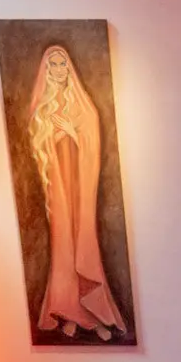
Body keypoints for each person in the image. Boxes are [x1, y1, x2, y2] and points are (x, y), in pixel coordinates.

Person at [27, 45, 127, 341]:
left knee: (83, 242)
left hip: (80, 188)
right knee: (63, 248)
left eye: (62, 64)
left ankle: (94, 314)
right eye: (53, 65)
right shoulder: (42, 108)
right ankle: (68, 312)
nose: (59, 70)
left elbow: (91, 142)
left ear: (69, 68)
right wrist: (52, 137)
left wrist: (71, 131)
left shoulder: (82, 106)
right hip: (59, 189)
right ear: (46, 70)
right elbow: (37, 147)